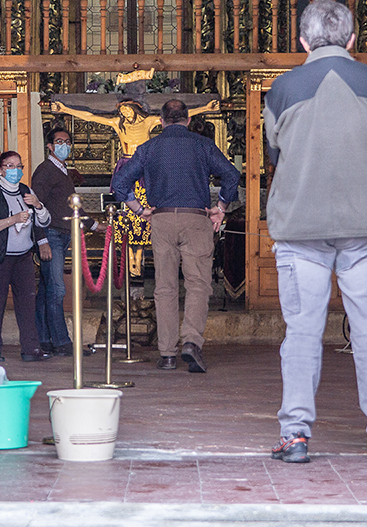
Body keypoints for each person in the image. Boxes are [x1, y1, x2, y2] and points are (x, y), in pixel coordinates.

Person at [263, 0, 367, 464]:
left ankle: (296, 434)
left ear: (302, 40)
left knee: (302, 331)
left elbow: (275, 152)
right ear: (352, 39)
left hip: (301, 227)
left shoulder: (281, 89)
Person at [111, 99, 240, 374]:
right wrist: (221, 207)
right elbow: (231, 175)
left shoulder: (149, 147)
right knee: (197, 284)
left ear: (160, 121)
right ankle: (191, 341)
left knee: (165, 287)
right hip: (197, 218)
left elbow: (120, 183)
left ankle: (167, 353)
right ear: (188, 120)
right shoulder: (202, 145)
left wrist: (139, 208)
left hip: (162, 218)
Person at [50, 93, 219, 278]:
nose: (126, 115)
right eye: (122, 112)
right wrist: (65, 109)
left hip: (145, 166)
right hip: (127, 164)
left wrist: (206, 108)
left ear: (135, 109)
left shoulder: (148, 122)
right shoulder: (118, 124)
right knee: (126, 206)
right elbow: (91, 116)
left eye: (127, 111)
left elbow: (180, 118)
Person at [31, 127, 101, 356]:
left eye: (68, 142)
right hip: (50, 233)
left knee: (46, 289)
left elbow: (72, 206)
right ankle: (62, 342)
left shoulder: (63, 171)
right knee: (57, 290)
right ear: (50, 146)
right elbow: (36, 206)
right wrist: (41, 239)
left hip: (62, 232)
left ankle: (43, 339)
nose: (65, 145)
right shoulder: (45, 171)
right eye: (59, 141)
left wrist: (95, 225)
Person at [0, 150, 52, 362]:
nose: (15, 170)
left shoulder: (25, 191)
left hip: (23, 257)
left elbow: (44, 222)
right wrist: (13, 219)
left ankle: (31, 348)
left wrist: (38, 205)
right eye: (10, 166)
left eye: (18, 166)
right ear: (0, 169)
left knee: (27, 304)